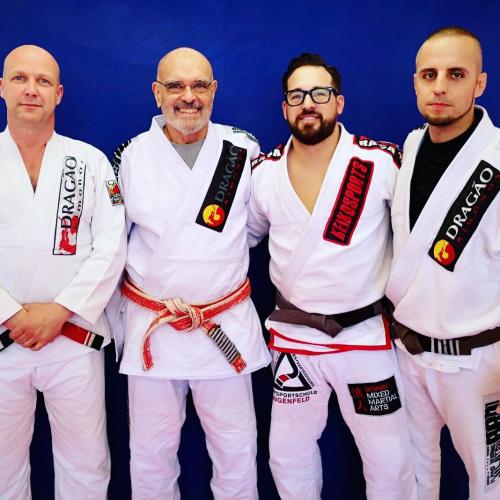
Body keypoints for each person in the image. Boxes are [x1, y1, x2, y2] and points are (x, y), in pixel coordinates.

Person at [248, 53, 416, 500]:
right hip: (295, 337)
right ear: (284, 107)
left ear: (338, 102)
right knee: (287, 455)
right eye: (297, 95)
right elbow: (238, 241)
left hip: (364, 336)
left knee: (390, 458)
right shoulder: (263, 173)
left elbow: (416, 238)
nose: (308, 103)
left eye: (320, 93)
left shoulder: (379, 162)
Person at [112, 47, 270, 499]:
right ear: (156, 93)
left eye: (199, 85)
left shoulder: (243, 149)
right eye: (176, 86)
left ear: (214, 90)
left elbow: (253, 229)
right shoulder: (131, 156)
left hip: (223, 324)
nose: (188, 96)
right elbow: (114, 241)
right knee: (150, 455)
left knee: (237, 451)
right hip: (155, 330)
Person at [0, 45, 126, 499]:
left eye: (43, 81)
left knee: (86, 464)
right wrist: (11, 314)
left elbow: (113, 244)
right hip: (3, 342)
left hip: (72, 338)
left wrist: (59, 311)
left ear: (59, 94)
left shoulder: (91, 161)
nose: (31, 90)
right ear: (1, 88)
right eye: (19, 78)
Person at [386, 27, 500, 500]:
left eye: (456, 74)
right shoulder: (411, 147)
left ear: (480, 83)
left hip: (478, 361)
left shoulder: (497, 159)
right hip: (409, 352)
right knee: (413, 477)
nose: (440, 87)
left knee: (491, 482)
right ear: (415, 82)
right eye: (429, 75)